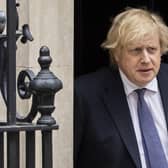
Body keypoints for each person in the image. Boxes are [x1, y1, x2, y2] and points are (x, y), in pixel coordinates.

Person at [74, 7, 168, 168]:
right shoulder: (85, 94)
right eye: (136, 51)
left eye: (152, 50)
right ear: (117, 54)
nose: (146, 59)